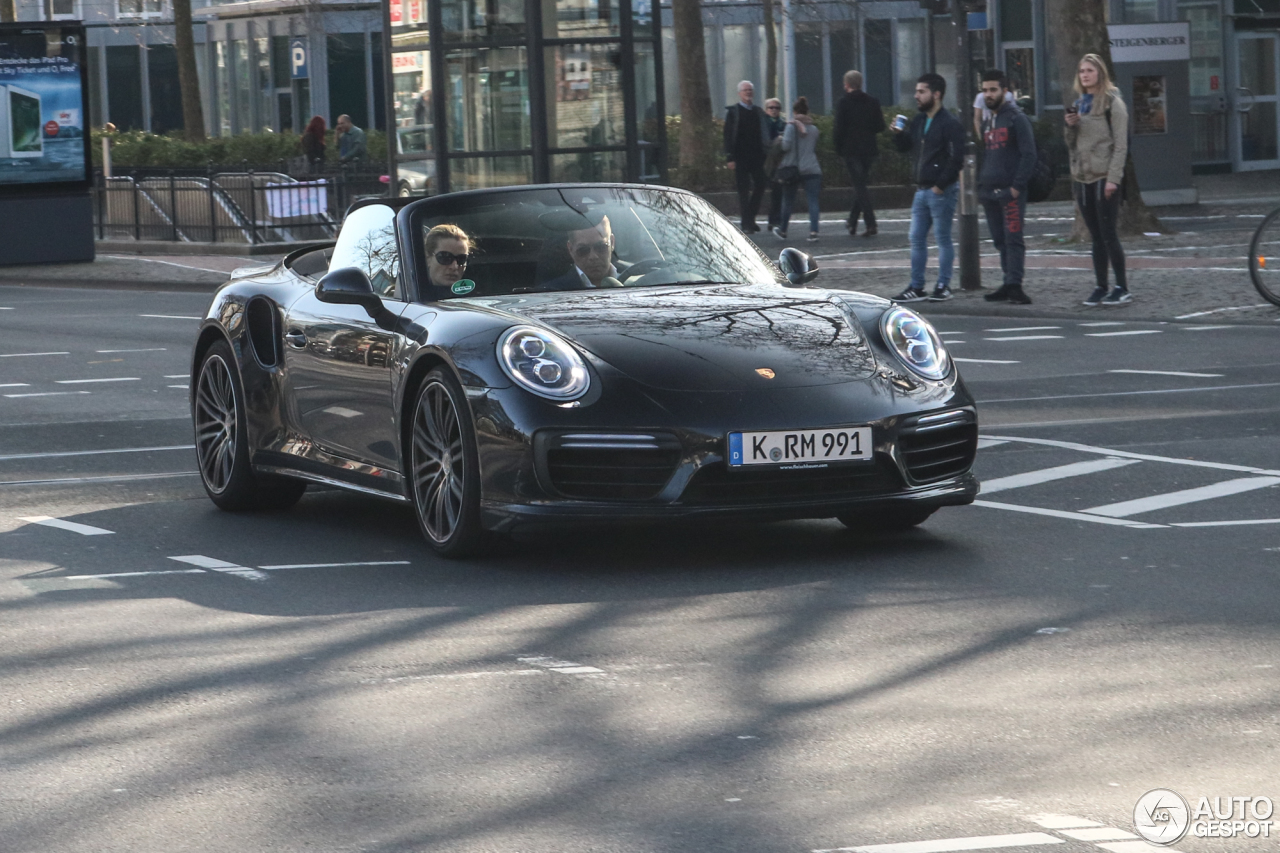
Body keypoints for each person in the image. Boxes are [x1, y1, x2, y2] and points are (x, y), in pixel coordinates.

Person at [890, 73, 965, 303]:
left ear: (936, 94)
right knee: (916, 238)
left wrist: (940, 186)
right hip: (921, 189)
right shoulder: (919, 121)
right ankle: (917, 286)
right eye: (917, 91)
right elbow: (907, 147)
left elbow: (956, 158)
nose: (916, 96)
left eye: (921, 91)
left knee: (942, 238)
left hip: (939, 190)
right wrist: (898, 135)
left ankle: (943, 284)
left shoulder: (949, 123)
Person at [1066, 53, 1131, 306]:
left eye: (1090, 71)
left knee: (1108, 233)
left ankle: (1122, 286)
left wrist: (1114, 178)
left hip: (1105, 175)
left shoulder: (1113, 103)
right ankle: (1100, 285)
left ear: (1100, 73)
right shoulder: (1080, 102)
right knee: (1095, 235)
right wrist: (1069, 126)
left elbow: (1121, 144)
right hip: (1083, 176)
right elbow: (1072, 143)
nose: (1085, 75)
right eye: (1082, 71)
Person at [977, 69, 1037, 304]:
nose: (988, 95)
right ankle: (1007, 280)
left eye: (993, 90)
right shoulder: (987, 120)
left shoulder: (1016, 118)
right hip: (989, 190)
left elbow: (1029, 154)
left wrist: (1016, 186)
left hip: (1009, 191)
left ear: (1005, 91)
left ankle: (1015, 284)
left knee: (1013, 238)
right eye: (984, 90)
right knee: (999, 239)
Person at [833, 70, 886, 237]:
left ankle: (871, 223)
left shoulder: (843, 103)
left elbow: (838, 129)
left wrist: (838, 148)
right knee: (861, 185)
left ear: (847, 84)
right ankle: (852, 221)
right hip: (869, 150)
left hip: (851, 150)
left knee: (860, 187)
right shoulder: (873, 102)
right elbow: (880, 126)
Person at [770, 97, 822, 243]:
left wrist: (779, 140)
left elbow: (786, 146)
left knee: (788, 200)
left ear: (794, 111)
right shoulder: (814, 129)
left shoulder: (790, 127)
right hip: (812, 168)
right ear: (807, 111)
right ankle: (813, 231)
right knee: (813, 200)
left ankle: (783, 230)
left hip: (794, 169)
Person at [723, 80, 771, 233]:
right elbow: (728, 135)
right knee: (743, 190)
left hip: (757, 156)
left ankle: (750, 217)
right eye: (745, 90)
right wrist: (730, 157)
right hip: (740, 157)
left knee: (760, 185)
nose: (748, 93)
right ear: (739, 93)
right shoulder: (733, 113)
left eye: (750, 90)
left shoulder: (758, 112)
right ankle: (746, 223)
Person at [539, 215, 622, 290]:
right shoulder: (550, 293)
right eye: (583, 250)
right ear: (570, 249)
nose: (593, 256)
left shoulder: (632, 282)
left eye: (601, 247)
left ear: (612, 242)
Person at [425, 224, 472, 297]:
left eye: (461, 259)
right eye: (445, 257)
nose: (454, 267)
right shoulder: (415, 294)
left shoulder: (476, 297)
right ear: (428, 258)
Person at [763, 97, 787, 232]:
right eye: (771, 108)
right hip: (767, 162)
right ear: (766, 110)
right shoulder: (763, 124)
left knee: (778, 192)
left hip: (779, 163)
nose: (774, 110)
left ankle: (776, 219)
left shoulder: (783, 124)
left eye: (776, 108)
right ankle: (772, 219)